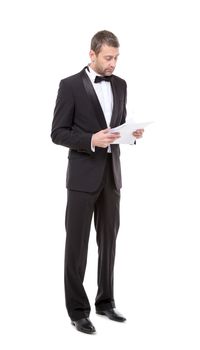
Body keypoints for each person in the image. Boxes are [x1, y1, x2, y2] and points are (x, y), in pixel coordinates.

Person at [51, 30, 144, 335]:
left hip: (111, 176)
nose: (112, 64)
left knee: (109, 242)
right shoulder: (69, 86)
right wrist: (90, 140)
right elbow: (58, 132)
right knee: (76, 246)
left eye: (116, 58)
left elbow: (117, 126)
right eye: (108, 57)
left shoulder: (120, 85)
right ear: (92, 55)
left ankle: (105, 302)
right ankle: (78, 311)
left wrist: (130, 135)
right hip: (81, 179)